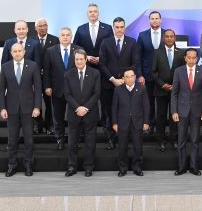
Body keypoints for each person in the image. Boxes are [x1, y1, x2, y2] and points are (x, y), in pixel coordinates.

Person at [0, 43, 42, 177]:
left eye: (19, 51)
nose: (17, 53)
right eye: (14, 51)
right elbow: (1, 89)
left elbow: (38, 88)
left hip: (28, 108)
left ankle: (28, 165)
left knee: (29, 139)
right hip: (11, 109)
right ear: (11, 53)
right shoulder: (5, 67)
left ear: (24, 52)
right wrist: (2, 107)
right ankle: (12, 165)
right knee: (12, 140)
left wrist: (37, 107)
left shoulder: (33, 65)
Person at [99, 17, 139, 150]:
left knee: (125, 112)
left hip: (127, 84)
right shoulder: (105, 42)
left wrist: (124, 79)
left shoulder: (132, 42)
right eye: (117, 27)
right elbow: (102, 63)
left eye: (122, 27)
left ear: (125, 28)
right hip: (108, 84)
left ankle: (124, 140)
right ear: (113, 28)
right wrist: (112, 79)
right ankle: (111, 139)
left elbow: (135, 63)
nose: (119, 29)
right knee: (109, 112)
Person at [171, 48, 202, 176]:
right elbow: (174, 93)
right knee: (181, 140)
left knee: (195, 140)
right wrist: (174, 111)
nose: (192, 60)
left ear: (197, 58)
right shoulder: (178, 71)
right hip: (181, 111)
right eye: (189, 57)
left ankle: (194, 167)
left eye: (194, 57)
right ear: (185, 58)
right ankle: (181, 167)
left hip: (197, 111)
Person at [63, 49, 101, 177]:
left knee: (90, 142)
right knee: (72, 142)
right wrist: (77, 108)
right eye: (76, 59)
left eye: (81, 59)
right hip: (74, 114)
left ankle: (88, 167)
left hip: (90, 113)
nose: (79, 61)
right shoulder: (68, 74)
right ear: (74, 60)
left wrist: (85, 108)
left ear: (86, 60)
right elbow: (67, 94)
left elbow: (96, 94)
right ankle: (72, 167)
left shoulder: (95, 73)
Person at [43, 27, 80, 150]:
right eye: (63, 35)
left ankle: (73, 139)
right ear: (59, 37)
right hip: (57, 89)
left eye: (67, 35)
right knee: (58, 116)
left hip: (74, 91)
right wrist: (47, 86)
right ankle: (60, 139)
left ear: (71, 36)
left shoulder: (79, 50)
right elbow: (47, 71)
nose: (65, 37)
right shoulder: (50, 51)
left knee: (74, 116)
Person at [112, 69, 150, 177]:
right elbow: (114, 107)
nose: (129, 78)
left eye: (132, 76)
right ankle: (122, 168)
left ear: (135, 77)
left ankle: (137, 167)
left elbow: (146, 106)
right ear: (123, 79)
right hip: (122, 122)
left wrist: (146, 122)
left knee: (138, 147)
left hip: (137, 122)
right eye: (127, 77)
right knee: (122, 147)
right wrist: (114, 123)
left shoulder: (142, 88)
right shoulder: (118, 90)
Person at [152, 29, 185, 151]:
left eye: (172, 36)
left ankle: (174, 139)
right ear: (163, 38)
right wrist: (163, 84)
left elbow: (183, 72)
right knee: (160, 116)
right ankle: (161, 140)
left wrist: (175, 86)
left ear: (175, 38)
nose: (169, 38)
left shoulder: (181, 53)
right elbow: (153, 72)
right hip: (161, 90)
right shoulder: (157, 52)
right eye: (167, 36)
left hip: (176, 91)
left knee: (174, 116)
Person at [136, 10, 164, 127]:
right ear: (149, 21)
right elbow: (138, 57)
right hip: (147, 76)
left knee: (162, 104)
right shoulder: (142, 35)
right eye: (152, 18)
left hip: (163, 75)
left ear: (161, 20)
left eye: (157, 18)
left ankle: (161, 126)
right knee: (149, 103)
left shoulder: (167, 34)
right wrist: (140, 75)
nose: (154, 20)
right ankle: (150, 124)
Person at [32, 18, 59, 135]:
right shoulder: (31, 40)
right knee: (35, 102)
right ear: (35, 28)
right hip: (34, 78)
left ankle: (49, 125)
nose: (43, 28)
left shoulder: (55, 39)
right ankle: (38, 124)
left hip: (50, 77)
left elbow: (57, 58)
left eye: (45, 25)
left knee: (49, 103)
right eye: (40, 26)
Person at [73, 3, 113, 67]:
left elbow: (112, 47)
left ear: (98, 13)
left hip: (104, 65)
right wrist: (86, 56)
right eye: (90, 12)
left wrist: (101, 58)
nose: (93, 13)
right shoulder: (80, 29)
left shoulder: (108, 28)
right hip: (86, 65)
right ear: (87, 14)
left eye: (95, 11)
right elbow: (75, 47)